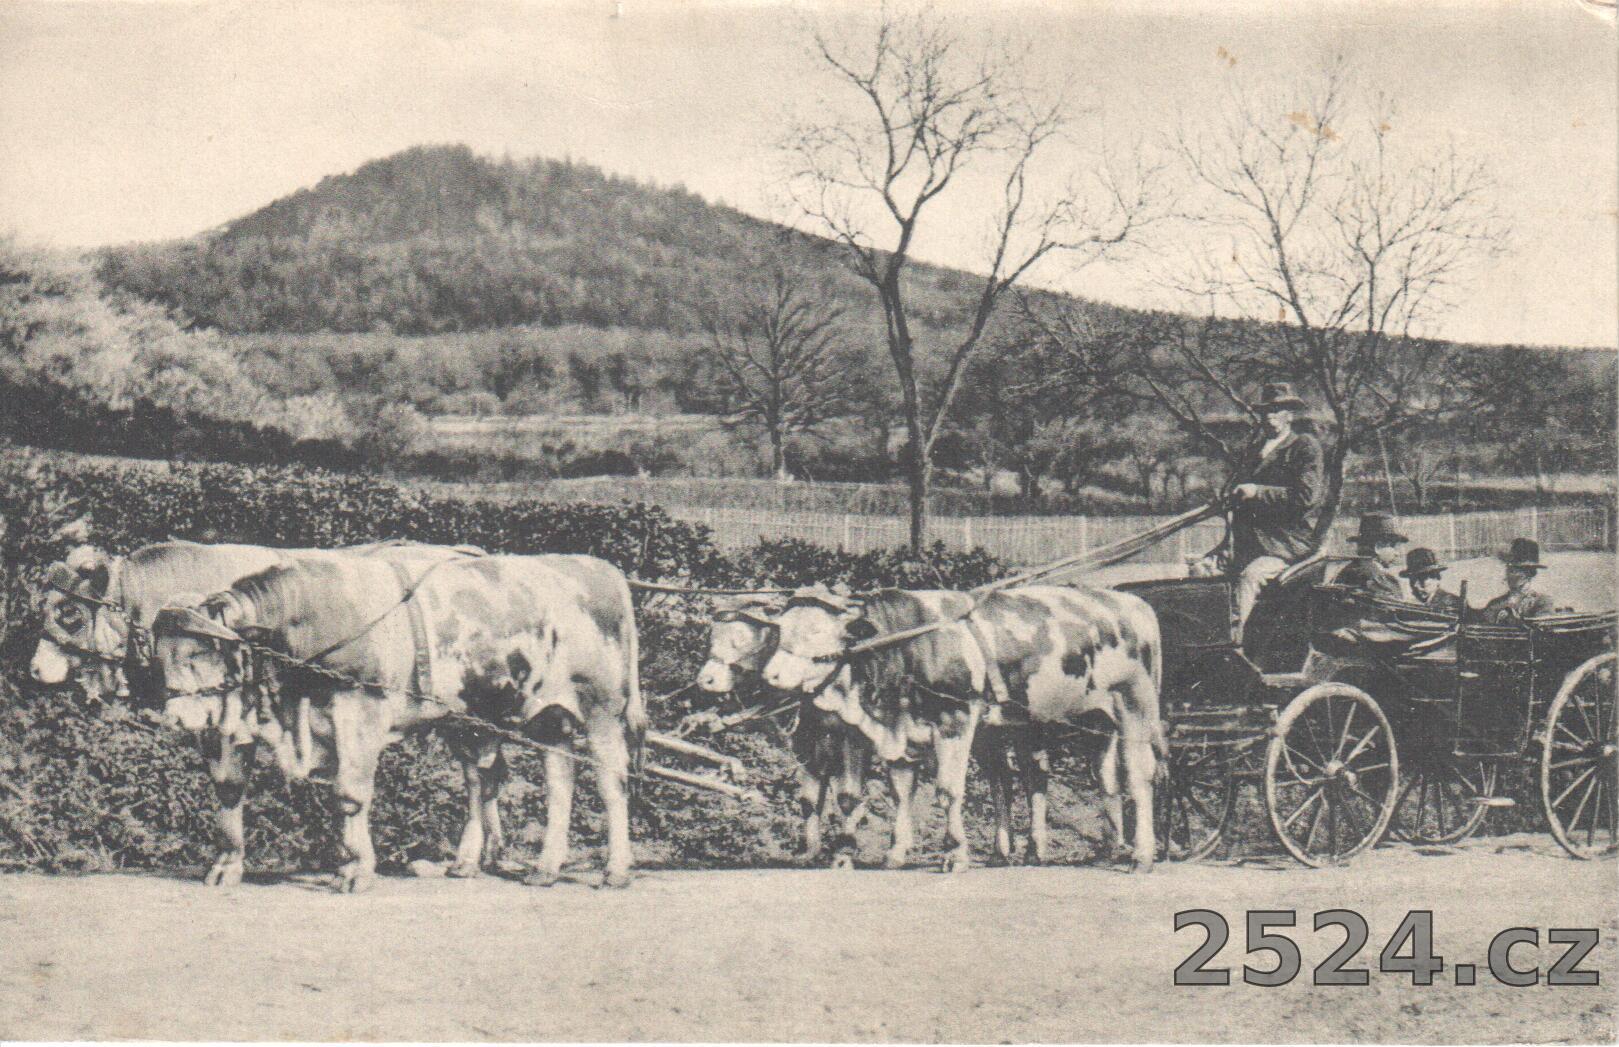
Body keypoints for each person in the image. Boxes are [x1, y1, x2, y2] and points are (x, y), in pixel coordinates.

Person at [1222, 381, 1324, 631]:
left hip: (1285, 545)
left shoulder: (1303, 446)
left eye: (1276, 410)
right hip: (1248, 546)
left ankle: (1238, 643)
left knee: (1250, 578)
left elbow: (1306, 497)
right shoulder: (1253, 450)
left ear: (1290, 415)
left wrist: (1257, 491)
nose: (1269, 416)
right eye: (1265, 411)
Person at [1483, 538, 1562, 623]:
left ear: (1529, 573)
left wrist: (1514, 619)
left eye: (1515, 570)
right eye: (1509, 569)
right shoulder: (1495, 604)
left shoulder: (1542, 602)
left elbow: (1543, 627)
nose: (1509, 575)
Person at [1331, 512, 1407, 599]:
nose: (1397, 553)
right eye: (1393, 546)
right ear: (1378, 547)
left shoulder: (1349, 571)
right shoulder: (1371, 578)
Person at [1401, 547, 1461, 615]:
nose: (1415, 585)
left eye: (1421, 579)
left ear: (1436, 578)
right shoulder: (1414, 606)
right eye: (1412, 580)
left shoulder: (1453, 604)